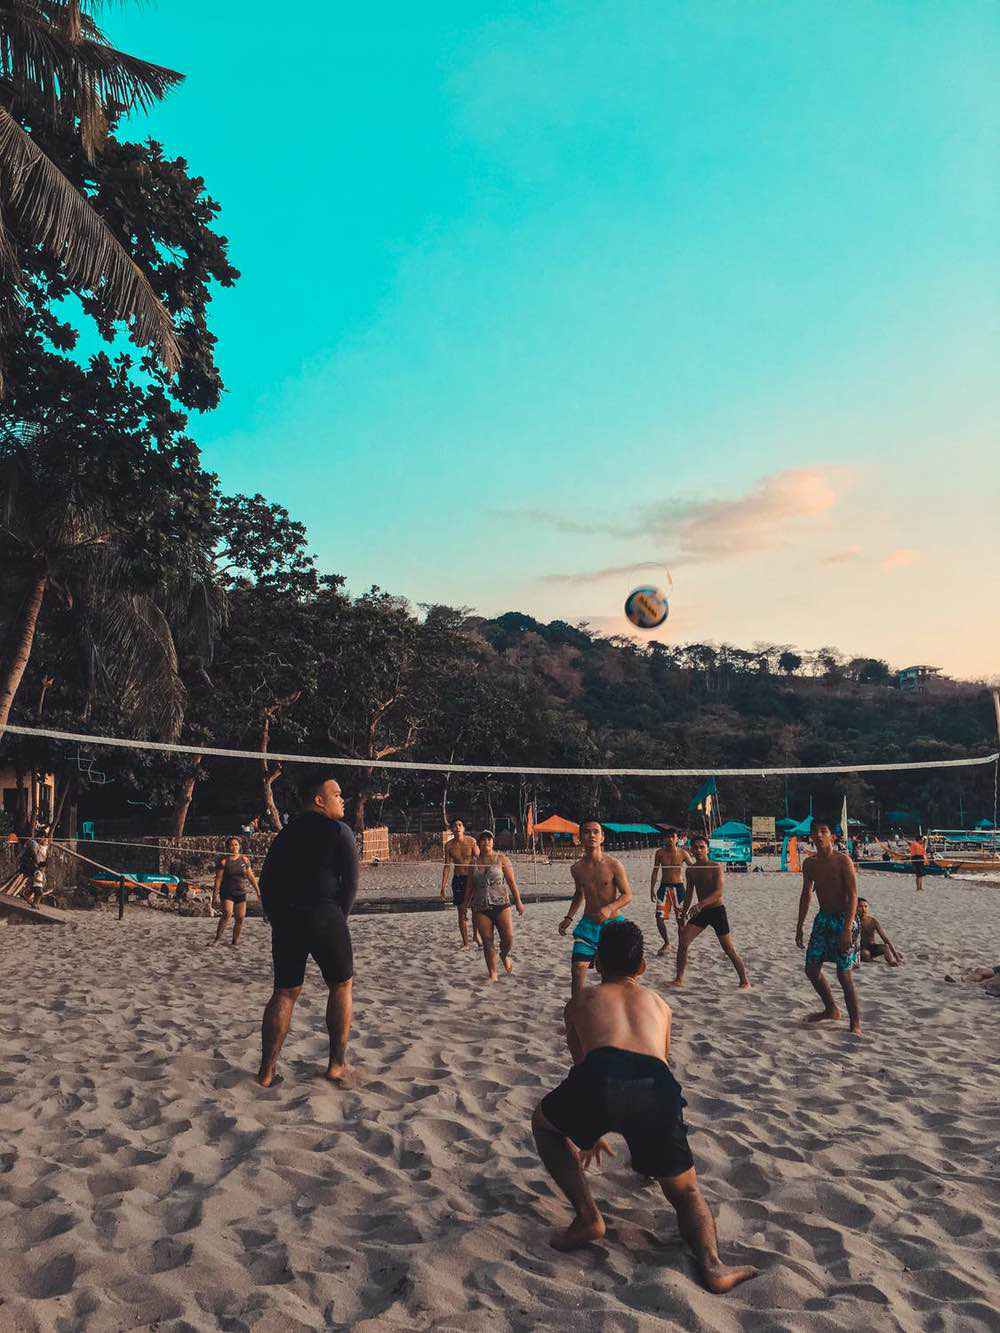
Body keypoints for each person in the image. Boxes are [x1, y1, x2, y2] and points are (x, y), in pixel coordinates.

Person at [531, 921, 758, 1293]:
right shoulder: (660, 1005)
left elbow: (583, 1066)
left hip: (599, 1076)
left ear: (599, 963)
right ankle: (713, 1265)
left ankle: (589, 1217)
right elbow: (657, 1061)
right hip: (656, 1083)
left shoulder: (580, 1002)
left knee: (544, 1124)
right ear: (642, 968)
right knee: (686, 1192)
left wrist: (590, 1133)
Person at [257, 772, 358, 1088]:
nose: (342, 799)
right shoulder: (340, 831)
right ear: (319, 800)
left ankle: (266, 1073)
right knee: (341, 985)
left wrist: (276, 917)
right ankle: (337, 1066)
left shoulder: (284, 835)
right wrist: (336, 917)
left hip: (287, 919)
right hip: (325, 913)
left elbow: (266, 883)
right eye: (337, 794)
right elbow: (351, 886)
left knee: (284, 992)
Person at [796, 819, 861, 1035]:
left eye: (824, 831)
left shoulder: (843, 861)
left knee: (844, 974)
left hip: (844, 919)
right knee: (812, 969)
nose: (819, 835)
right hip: (823, 919)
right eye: (815, 832)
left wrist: (847, 928)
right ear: (811, 837)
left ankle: (855, 1023)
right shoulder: (810, 864)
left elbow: (853, 895)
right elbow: (806, 894)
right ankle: (831, 1009)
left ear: (832, 836)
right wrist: (799, 926)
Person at [559, 819, 633, 997]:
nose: (591, 835)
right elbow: (579, 894)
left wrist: (609, 908)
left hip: (614, 924)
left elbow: (627, 895)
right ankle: (576, 1012)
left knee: (614, 976)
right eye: (587, 832)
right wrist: (568, 917)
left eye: (595, 832)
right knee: (577, 970)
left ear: (602, 837)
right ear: (580, 838)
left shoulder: (614, 865)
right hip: (588, 925)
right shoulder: (576, 868)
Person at [667, 835, 750, 990]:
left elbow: (719, 892)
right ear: (691, 849)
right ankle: (678, 979)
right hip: (702, 911)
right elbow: (689, 893)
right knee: (683, 941)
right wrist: (683, 914)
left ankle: (744, 980)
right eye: (695, 847)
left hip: (717, 910)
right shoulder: (691, 870)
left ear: (708, 849)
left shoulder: (715, 866)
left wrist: (700, 904)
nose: (698, 850)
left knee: (728, 948)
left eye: (702, 847)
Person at [463, 830, 525, 981]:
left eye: (489, 839)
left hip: (501, 903)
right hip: (480, 906)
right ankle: (493, 973)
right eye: (483, 840)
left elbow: (511, 883)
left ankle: (504, 955)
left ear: (493, 842)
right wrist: (464, 906)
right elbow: (470, 887)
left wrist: (518, 901)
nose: (487, 842)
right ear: (479, 844)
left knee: (508, 937)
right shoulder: (474, 863)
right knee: (487, 940)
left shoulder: (502, 859)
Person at [210, 836, 260, 947]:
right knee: (227, 913)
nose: (234, 847)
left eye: (236, 844)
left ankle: (235, 941)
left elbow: (251, 876)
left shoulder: (244, 860)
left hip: (241, 892)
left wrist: (258, 891)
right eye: (232, 845)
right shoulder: (223, 861)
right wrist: (215, 895)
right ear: (228, 847)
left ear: (239, 846)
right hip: (227, 892)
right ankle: (217, 939)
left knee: (240, 917)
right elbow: (218, 879)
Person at [649, 827, 692, 957]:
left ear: (677, 838)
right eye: (667, 837)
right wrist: (651, 889)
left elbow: (693, 868)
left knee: (681, 920)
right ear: (664, 839)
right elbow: (655, 871)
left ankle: (682, 945)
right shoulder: (660, 853)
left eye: (672, 837)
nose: (670, 839)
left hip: (679, 888)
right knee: (659, 918)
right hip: (664, 887)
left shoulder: (683, 853)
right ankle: (667, 942)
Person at [440, 817, 481, 948]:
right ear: (452, 829)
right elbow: (447, 866)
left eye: (460, 825)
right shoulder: (449, 845)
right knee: (461, 911)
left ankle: (475, 935)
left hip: (472, 878)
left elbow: (479, 860)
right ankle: (465, 943)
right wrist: (443, 886)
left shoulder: (471, 841)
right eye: (455, 825)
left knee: (475, 909)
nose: (457, 827)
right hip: (458, 879)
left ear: (463, 828)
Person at [857, 898, 902, 966]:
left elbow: (885, 938)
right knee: (866, 954)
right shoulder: (854, 921)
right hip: (861, 948)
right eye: (860, 906)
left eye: (866, 906)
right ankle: (874, 962)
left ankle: (891, 961)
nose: (864, 909)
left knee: (886, 947)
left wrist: (895, 955)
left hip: (872, 947)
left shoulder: (872, 921)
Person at [21, 825, 50, 906]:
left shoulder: (39, 845)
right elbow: (35, 857)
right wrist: (41, 866)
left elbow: (39, 858)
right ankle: (29, 895)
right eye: (43, 838)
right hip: (27, 865)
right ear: (40, 837)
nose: (44, 840)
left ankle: (31, 897)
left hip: (34, 865)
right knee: (39, 884)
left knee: (41, 881)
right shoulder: (33, 843)